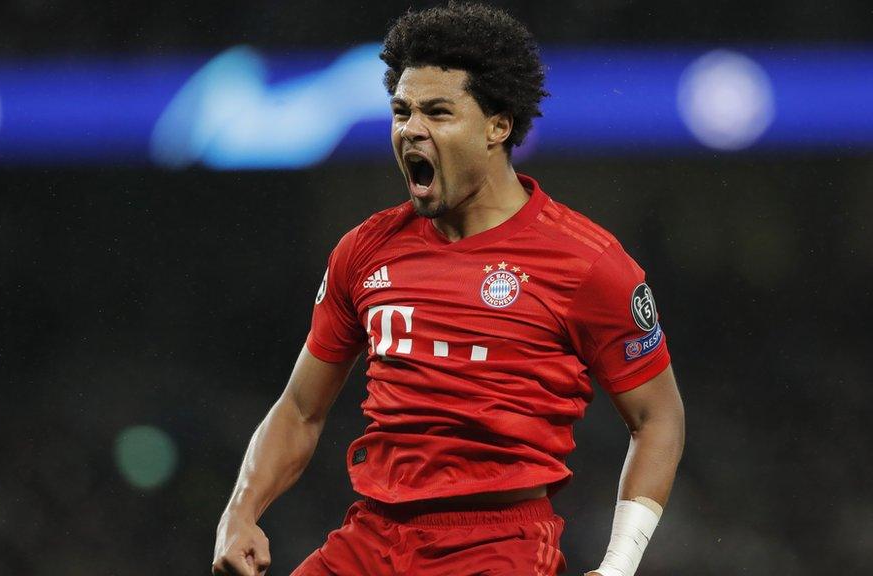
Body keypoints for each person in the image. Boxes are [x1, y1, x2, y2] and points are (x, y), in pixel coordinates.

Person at [211, 3, 685, 575]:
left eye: (437, 112)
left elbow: (658, 417)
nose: (411, 129)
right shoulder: (364, 252)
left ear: (498, 125)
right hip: (371, 539)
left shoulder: (588, 263)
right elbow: (301, 410)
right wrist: (239, 513)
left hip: (497, 548)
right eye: (401, 111)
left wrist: (619, 564)